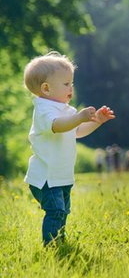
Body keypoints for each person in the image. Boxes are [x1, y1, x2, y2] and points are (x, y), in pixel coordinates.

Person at [24, 52, 115, 246]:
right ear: (46, 89)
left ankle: (60, 240)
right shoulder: (43, 109)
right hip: (46, 177)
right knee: (55, 211)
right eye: (66, 84)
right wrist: (78, 118)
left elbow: (77, 131)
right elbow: (57, 126)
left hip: (62, 175)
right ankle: (51, 245)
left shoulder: (67, 111)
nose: (71, 87)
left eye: (71, 83)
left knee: (63, 211)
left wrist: (96, 121)